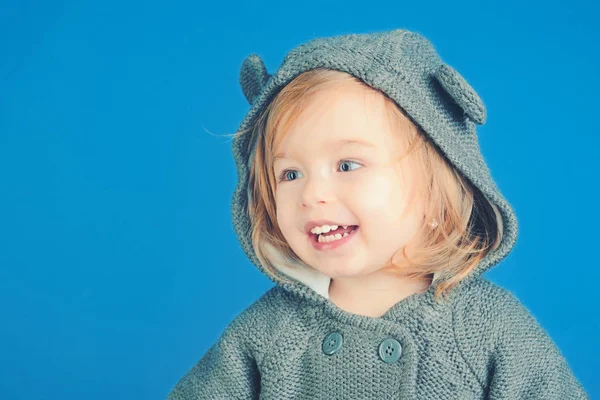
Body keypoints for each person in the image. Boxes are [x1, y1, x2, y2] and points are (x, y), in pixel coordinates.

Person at [166, 28, 588, 399]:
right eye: (290, 173)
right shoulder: (268, 333)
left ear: (435, 193)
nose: (311, 194)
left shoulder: (488, 326)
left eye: (347, 165)